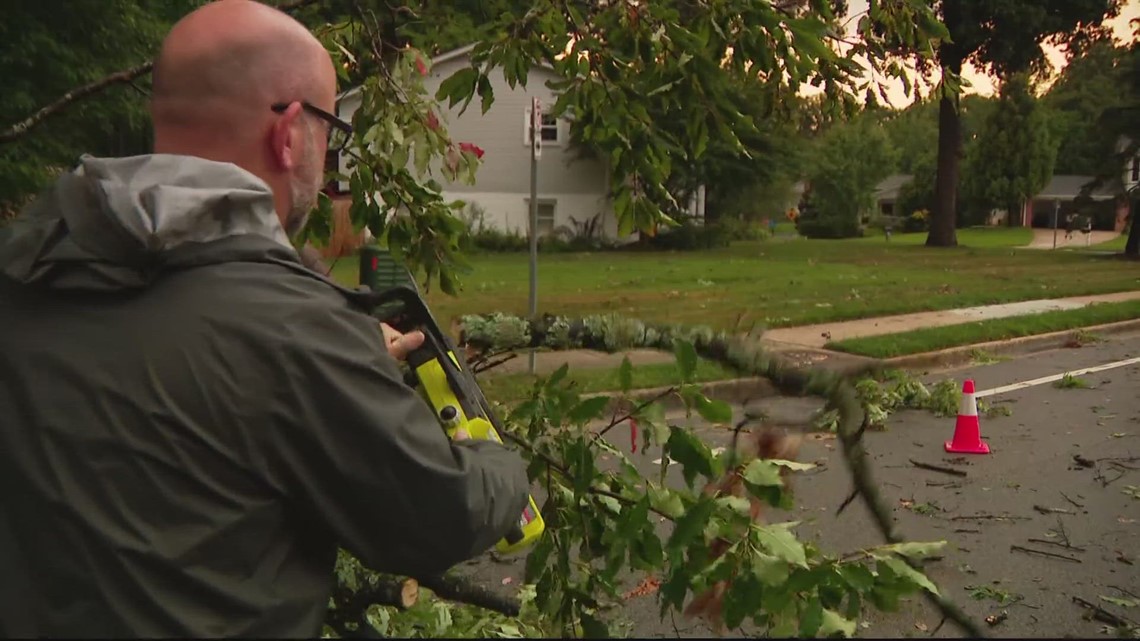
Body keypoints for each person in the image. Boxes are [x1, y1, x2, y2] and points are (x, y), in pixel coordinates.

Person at [0, 1, 531, 637]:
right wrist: (499, 463)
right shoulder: (294, 328)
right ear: (289, 132)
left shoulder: (30, 268)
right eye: (331, 128)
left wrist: (340, 356)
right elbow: (436, 517)